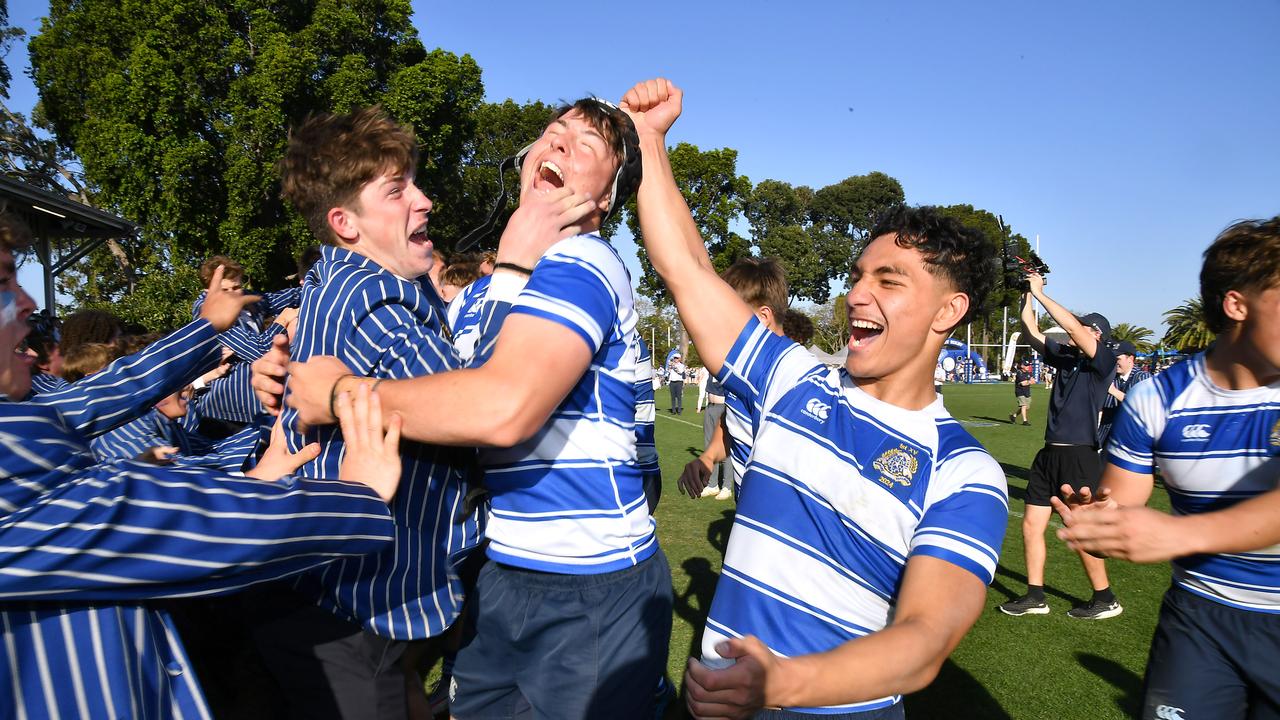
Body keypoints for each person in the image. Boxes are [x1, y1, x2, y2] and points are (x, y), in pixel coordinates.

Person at [621, 79, 1007, 718]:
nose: (857, 295)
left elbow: (923, 641)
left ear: (950, 311)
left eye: (889, 280)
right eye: (858, 276)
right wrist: (651, 142)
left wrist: (783, 685)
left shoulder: (965, 474)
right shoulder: (792, 379)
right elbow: (687, 269)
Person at [281, 93, 672, 719]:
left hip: (587, 579)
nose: (560, 144)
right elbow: (449, 385)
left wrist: (337, 395)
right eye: (552, 132)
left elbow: (496, 407)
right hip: (501, 568)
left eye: (588, 146)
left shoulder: (585, 261)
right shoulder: (489, 290)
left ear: (604, 200)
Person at [0, 213, 406, 719]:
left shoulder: (29, 412)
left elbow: (111, 392)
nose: (29, 302)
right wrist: (356, 498)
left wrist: (208, 330)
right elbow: (157, 515)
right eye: (3, 282)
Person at [251, 106, 581, 719]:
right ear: (344, 222)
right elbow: (484, 405)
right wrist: (516, 263)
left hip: (349, 611)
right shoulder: (371, 302)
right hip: (348, 623)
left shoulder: (359, 289)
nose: (424, 201)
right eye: (397, 190)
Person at [1053, 216, 1280, 720]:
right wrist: (1098, 517)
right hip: (1200, 620)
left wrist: (1181, 535)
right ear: (1237, 304)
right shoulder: (1157, 399)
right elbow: (1123, 499)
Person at [677, 257, 789, 503]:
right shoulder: (746, 375)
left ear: (761, 318)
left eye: (727, 317)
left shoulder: (790, 381)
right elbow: (730, 422)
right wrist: (708, 457)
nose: (718, 327)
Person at [190, 255, 299, 438]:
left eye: (237, 287)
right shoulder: (207, 313)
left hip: (255, 408)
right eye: (224, 290)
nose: (232, 294)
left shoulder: (248, 302)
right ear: (207, 292)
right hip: (223, 413)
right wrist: (283, 320)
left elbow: (292, 296)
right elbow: (259, 350)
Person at [1096, 340, 1150, 449]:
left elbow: (1140, 406)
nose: (1114, 362)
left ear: (1130, 359)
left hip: (1131, 440)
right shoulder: (1111, 377)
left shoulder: (1143, 378)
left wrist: (1113, 391)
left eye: (1117, 359)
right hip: (1105, 438)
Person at [1009, 357, 1036, 425]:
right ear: (1022, 366)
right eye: (1026, 365)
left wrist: (1028, 381)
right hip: (1020, 392)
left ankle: (1013, 416)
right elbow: (1023, 384)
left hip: (1027, 392)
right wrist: (1029, 381)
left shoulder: (1029, 373)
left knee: (1026, 407)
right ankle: (1025, 421)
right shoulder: (1019, 373)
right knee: (1023, 406)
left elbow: (1033, 381)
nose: (1028, 366)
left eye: (1028, 365)